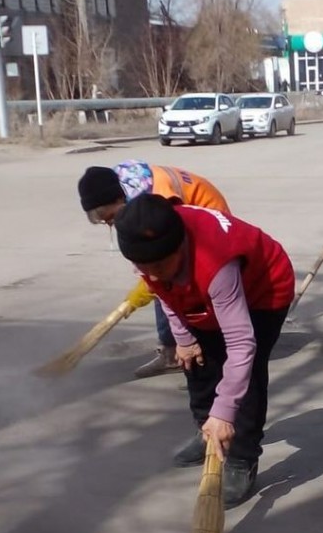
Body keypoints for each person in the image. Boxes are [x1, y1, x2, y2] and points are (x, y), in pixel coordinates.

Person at [114, 194, 295, 507]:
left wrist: (225, 412)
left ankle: (241, 458)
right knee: (197, 360)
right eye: (144, 267)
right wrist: (184, 338)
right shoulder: (147, 249)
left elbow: (241, 343)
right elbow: (164, 292)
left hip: (263, 291)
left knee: (245, 375)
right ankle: (206, 430)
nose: (151, 274)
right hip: (202, 291)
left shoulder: (215, 262)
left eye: (158, 265)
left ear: (180, 247)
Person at [77, 161, 231, 378]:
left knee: (174, 282)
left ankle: (209, 350)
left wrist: (140, 293)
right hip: (185, 218)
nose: (111, 225)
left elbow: (160, 259)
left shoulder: (160, 201)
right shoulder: (125, 183)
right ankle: (173, 351)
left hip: (209, 219)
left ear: (119, 200)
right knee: (163, 283)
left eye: (110, 218)